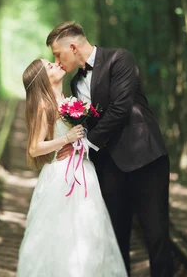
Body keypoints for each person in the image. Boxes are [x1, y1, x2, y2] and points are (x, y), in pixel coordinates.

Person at [48, 21, 174, 277]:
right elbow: (84, 123)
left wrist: (85, 144)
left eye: (57, 54)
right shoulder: (75, 84)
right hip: (109, 167)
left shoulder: (120, 59)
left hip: (145, 159)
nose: (57, 61)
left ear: (73, 47)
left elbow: (120, 108)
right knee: (116, 239)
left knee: (156, 234)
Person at [16, 58, 127, 277]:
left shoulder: (71, 98)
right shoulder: (44, 105)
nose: (55, 64)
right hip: (61, 175)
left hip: (84, 170)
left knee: (90, 229)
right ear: (43, 79)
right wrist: (66, 138)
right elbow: (34, 148)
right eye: (49, 66)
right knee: (63, 234)